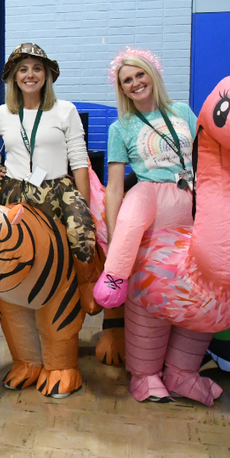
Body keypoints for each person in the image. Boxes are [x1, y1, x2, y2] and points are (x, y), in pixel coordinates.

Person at [0, 43, 97, 308]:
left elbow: (79, 161)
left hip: (56, 189)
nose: (30, 75)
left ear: (46, 75)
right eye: (23, 69)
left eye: (37, 68)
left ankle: (86, 285)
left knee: (82, 231)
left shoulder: (65, 110)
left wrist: (84, 204)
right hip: (13, 189)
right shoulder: (2, 113)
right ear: (14, 77)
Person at [93, 47, 197, 308]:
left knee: (191, 277)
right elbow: (114, 187)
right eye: (127, 80)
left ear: (153, 74)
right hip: (155, 206)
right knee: (158, 279)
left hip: (192, 199)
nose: (135, 83)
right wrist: (114, 237)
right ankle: (115, 273)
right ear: (122, 89)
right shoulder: (120, 128)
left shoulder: (182, 112)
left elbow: (205, 156)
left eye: (140, 74)